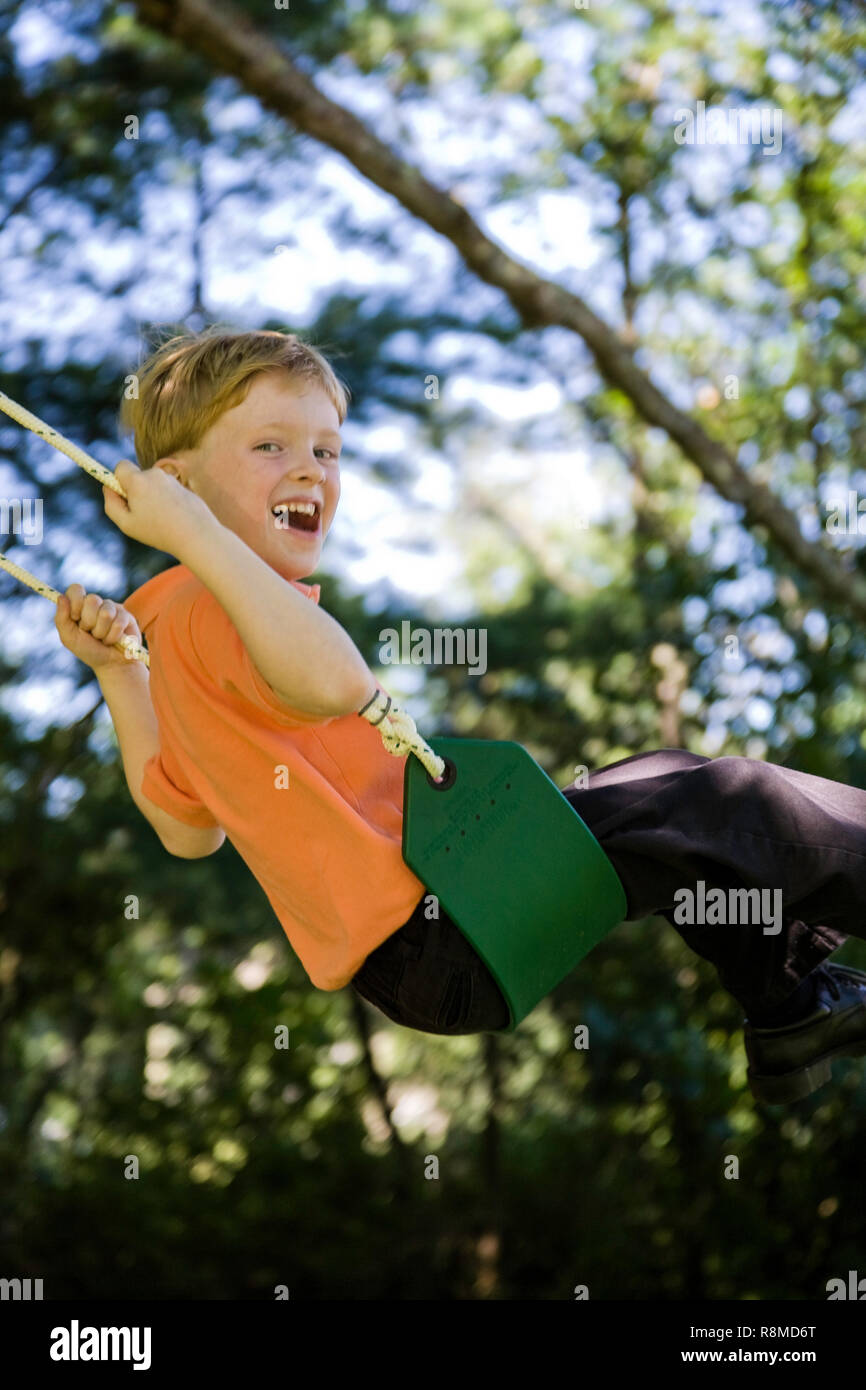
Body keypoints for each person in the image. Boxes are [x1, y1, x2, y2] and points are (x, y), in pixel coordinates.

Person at [53, 327, 866, 1106]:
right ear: (179, 486)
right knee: (721, 801)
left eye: (326, 450)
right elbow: (338, 683)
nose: (309, 471)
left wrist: (121, 676)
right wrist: (198, 540)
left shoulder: (168, 628)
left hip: (427, 944)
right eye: (271, 446)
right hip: (445, 916)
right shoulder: (216, 611)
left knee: (669, 791)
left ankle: (793, 1008)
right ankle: (793, 999)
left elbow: (190, 829)